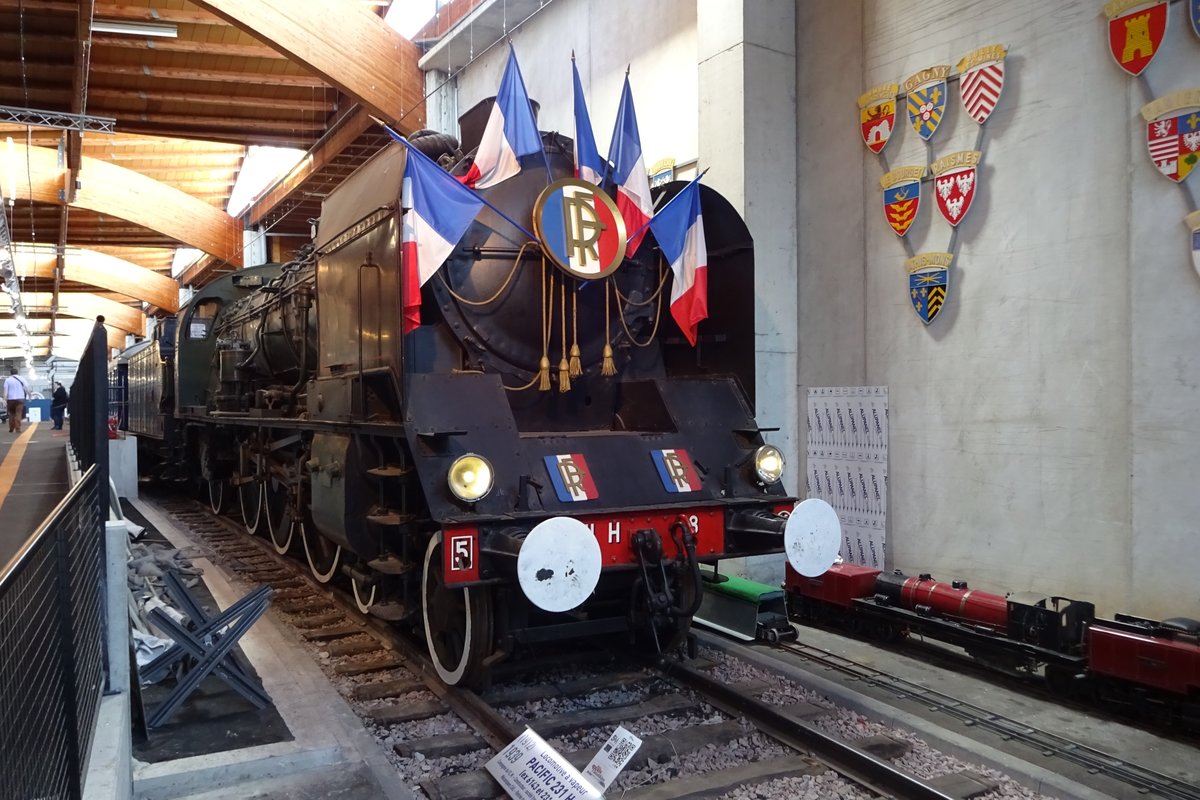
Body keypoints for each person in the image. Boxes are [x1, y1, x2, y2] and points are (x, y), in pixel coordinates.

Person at [3, 368, 27, 434]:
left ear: (10, 373)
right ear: (17, 372)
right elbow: (26, 388)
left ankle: (11, 428)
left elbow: (5, 391)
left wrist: (5, 400)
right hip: (20, 399)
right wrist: (30, 395)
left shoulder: (7, 380)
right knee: (18, 413)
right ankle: (18, 429)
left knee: (12, 414)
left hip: (10, 399)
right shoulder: (22, 379)